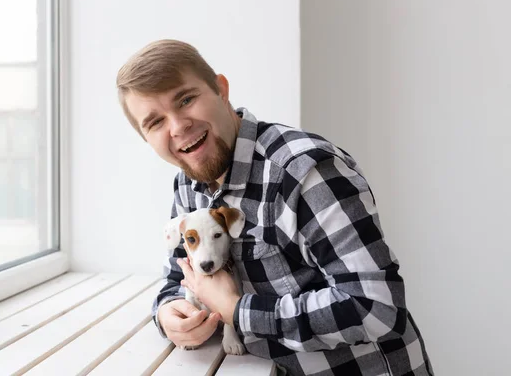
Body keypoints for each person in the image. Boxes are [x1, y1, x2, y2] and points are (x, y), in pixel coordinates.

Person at [116, 39, 433, 376]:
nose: (178, 127)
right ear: (145, 138)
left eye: (186, 99)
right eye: (155, 122)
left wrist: (238, 310)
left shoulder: (305, 172)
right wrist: (169, 314)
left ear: (221, 90)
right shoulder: (188, 184)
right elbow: (177, 276)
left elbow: (377, 308)